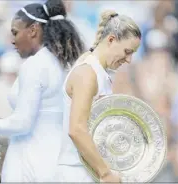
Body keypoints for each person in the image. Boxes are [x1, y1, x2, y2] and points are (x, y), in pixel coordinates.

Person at [0, 0, 84, 182]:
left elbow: (23, 123)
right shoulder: (62, 63)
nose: (12, 40)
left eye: (15, 32)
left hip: (30, 162)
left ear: (33, 30)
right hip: (57, 161)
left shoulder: (35, 65)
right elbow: (39, 116)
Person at [55, 10, 141, 182]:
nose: (129, 59)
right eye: (127, 51)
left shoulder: (100, 72)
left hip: (89, 171)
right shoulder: (88, 73)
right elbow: (77, 129)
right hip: (76, 172)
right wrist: (105, 173)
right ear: (111, 40)